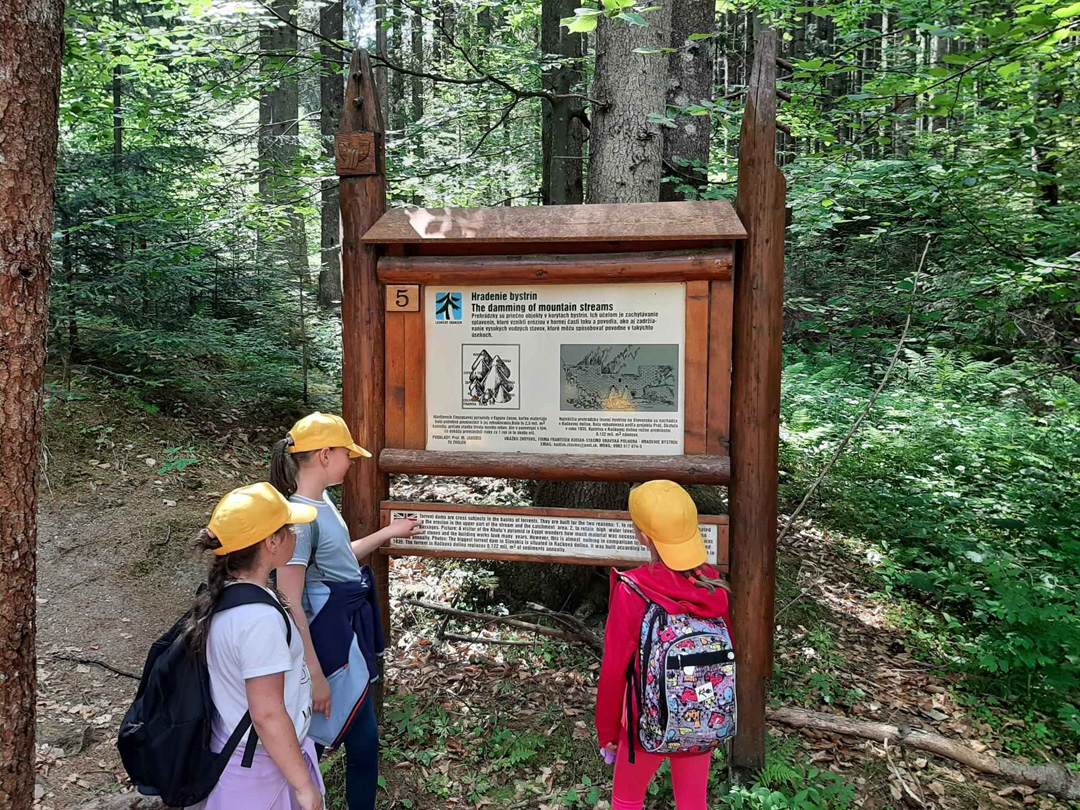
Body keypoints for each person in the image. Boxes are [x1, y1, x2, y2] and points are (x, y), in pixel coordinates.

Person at [270, 412, 422, 810]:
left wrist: (389, 532)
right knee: (325, 740)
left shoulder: (321, 504)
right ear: (325, 455)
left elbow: (340, 559)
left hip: (341, 638)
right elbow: (290, 598)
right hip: (327, 647)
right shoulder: (298, 520)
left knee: (347, 739)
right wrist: (315, 676)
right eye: (346, 454)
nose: (351, 461)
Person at [596, 480, 732, 810]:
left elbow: (614, 670)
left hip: (643, 723)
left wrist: (608, 733)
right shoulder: (712, 585)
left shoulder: (633, 590)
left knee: (627, 801)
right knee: (693, 804)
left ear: (644, 536)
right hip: (702, 718)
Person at [187, 483, 324, 810]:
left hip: (239, 755)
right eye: (289, 528)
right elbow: (267, 713)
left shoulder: (228, 595)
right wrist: (304, 786)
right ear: (271, 542)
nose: (295, 534)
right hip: (261, 771)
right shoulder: (259, 620)